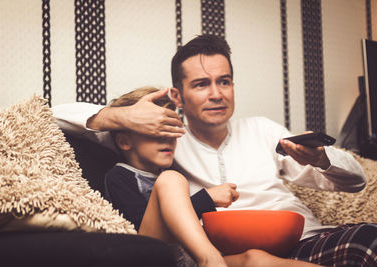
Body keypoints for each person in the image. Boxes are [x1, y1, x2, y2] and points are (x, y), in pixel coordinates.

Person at [52, 35, 377, 266]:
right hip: (229, 252)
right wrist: (122, 115)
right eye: (201, 84)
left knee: (368, 240)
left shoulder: (262, 129)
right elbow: (54, 116)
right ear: (177, 97)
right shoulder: (164, 141)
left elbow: (356, 182)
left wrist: (322, 159)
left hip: (303, 239)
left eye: (224, 81)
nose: (216, 94)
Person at [101, 86, 322, 267]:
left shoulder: (172, 173)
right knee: (170, 179)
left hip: (187, 260)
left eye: (173, 131)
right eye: (157, 132)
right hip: (152, 257)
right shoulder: (120, 176)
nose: (168, 140)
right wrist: (206, 198)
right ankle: (210, 260)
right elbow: (143, 232)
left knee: (254, 258)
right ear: (124, 142)